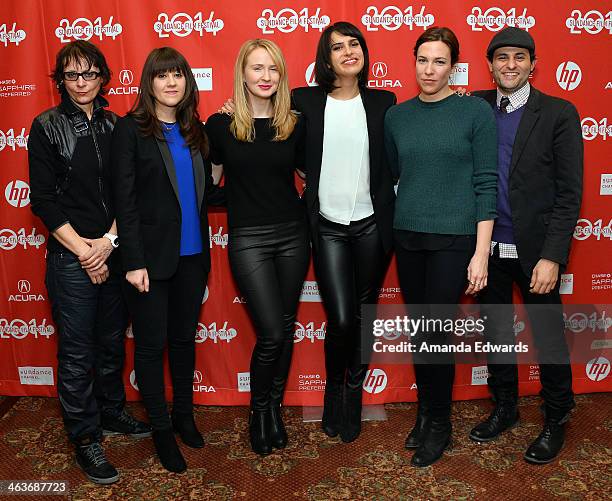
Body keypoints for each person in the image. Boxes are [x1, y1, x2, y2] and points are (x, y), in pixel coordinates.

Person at [28, 40, 150, 485]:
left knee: (113, 343)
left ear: (103, 77)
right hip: (69, 258)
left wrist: (107, 244)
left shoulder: (118, 125)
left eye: (89, 73)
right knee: (78, 354)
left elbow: (127, 193)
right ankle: (85, 437)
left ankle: (113, 412)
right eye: (72, 75)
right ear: (60, 80)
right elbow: (42, 200)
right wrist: (84, 251)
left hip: (112, 252)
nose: (81, 82)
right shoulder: (45, 126)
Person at [468, 27, 583, 464]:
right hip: (487, 249)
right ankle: (505, 408)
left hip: (536, 252)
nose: (510, 65)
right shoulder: (476, 106)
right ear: (491, 64)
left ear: (533, 63)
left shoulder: (557, 112)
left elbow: (570, 193)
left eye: (519, 57)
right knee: (496, 333)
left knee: (548, 338)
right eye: (502, 58)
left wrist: (553, 255)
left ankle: (556, 417)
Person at [384, 26, 497, 467]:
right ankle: (426, 413)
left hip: (456, 238)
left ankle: (440, 421)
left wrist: (481, 251)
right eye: (423, 60)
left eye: (440, 61)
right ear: (414, 63)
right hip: (408, 235)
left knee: (437, 333)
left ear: (454, 67)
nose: (429, 70)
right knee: (420, 332)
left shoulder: (474, 114)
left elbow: (486, 183)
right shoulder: (397, 116)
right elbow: (396, 173)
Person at [112, 47, 224, 473]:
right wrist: (133, 260)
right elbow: (125, 199)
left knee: (182, 342)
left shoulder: (195, 131)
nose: (171, 82)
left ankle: (184, 416)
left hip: (193, 258)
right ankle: (161, 430)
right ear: (150, 83)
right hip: (149, 263)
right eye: (162, 76)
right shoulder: (131, 130)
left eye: (178, 74)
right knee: (151, 345)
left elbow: (205, 194)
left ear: (187, 82)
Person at [292, 21, 396, 444]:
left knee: (363, 313)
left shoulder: (384, 102)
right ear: (326, 57)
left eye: (355, 44)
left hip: (373, 221)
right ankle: (334, 391)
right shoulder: (304, 101)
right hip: (328, 224)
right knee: (338, 317)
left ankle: (353, 395)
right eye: (338, 47)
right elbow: (270, 132)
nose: (349, 51)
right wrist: (229, 110)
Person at [205, 39, 309, 456]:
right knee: (269, 333)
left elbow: (309, 175)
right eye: (257, 69)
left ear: (281, 76)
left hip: (293, 235)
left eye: (273, 69)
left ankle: (274, 411)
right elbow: (210, 187)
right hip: (248, 239)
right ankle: (258, 409)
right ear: (242, 74)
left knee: (284, 328)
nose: (265, 77)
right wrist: (243, 197)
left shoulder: (294, 124)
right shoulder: (221, 124)